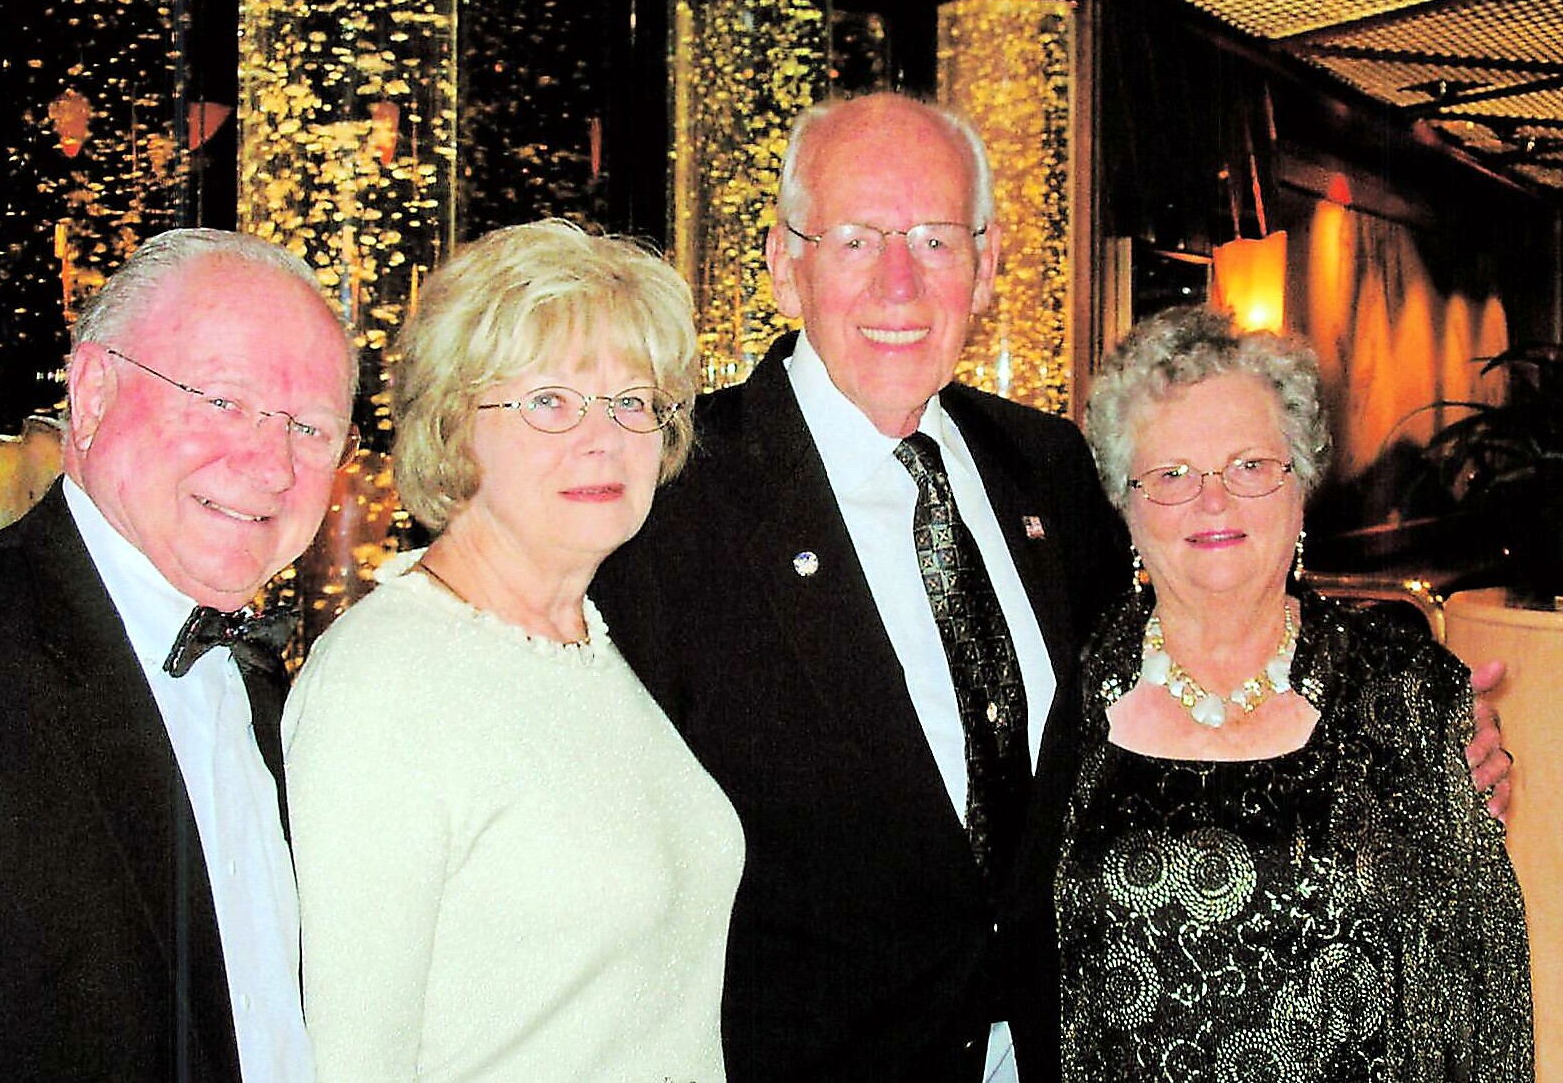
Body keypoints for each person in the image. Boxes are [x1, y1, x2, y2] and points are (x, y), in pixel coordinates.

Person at [592, 90, 1515, 1083]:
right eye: (856, 240)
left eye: (935, 241)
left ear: (986, 263)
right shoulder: (672, 496)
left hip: (1062, 1051)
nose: (900, 282)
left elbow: (1181, 647)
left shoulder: (1044, 467)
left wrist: (1394, 730)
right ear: (785, 262)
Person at [283, 218, 744, 1082]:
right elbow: (350, 1059)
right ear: (454, 426)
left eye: (633, 401)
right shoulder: (384, 684)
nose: (603, 437)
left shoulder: (589, 644)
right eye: (549, 402)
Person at [1057, 305, 1532, 1080]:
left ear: (1301, 486)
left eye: (1249, 466)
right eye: (1172, 474)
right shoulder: (1060, 691)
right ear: (1125, 503)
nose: (1213, 500)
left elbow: (1480, 987)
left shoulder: (1408, 695)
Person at [0, 228, 357, 1081]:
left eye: (310, 428)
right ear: (92, 393)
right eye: (224, 402)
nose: (273, 466)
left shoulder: (266, 684)